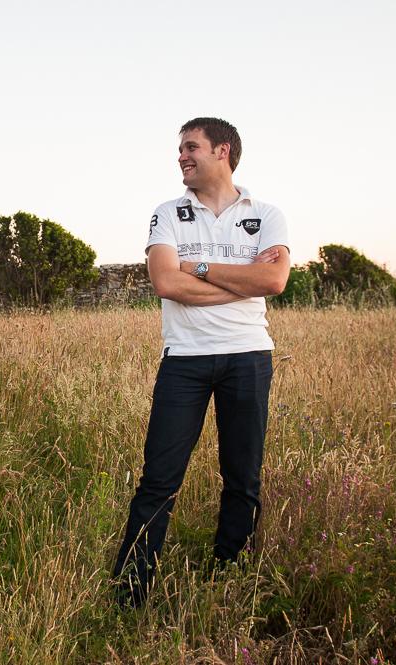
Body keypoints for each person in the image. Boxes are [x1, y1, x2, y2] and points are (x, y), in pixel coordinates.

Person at [111, 118, 290, 607]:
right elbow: (167, 284)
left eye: (191, 147)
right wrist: (239, 280)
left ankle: (230, 578)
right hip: (184, 361)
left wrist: (201, 268)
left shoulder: (267, 214)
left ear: (222, 151)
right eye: (181, 149)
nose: (181, 157)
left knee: (243, 475)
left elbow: (274, 282)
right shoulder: (167, 213)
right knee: (159, 479)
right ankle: (129, 593)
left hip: (248, 356)